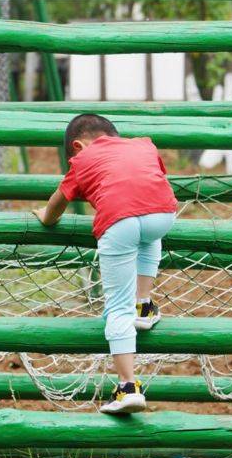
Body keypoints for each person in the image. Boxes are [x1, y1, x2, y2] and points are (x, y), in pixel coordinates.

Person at [32, 114, 178, 415]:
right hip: (163, 214)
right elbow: (150, 184)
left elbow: (57, 203)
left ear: (77, 146)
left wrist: (44, 216)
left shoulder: (84, 159)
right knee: (149, 237)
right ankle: (144, 303)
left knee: (115, 308)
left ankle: (128, 387)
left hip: (119, 222)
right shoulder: (143, 145)